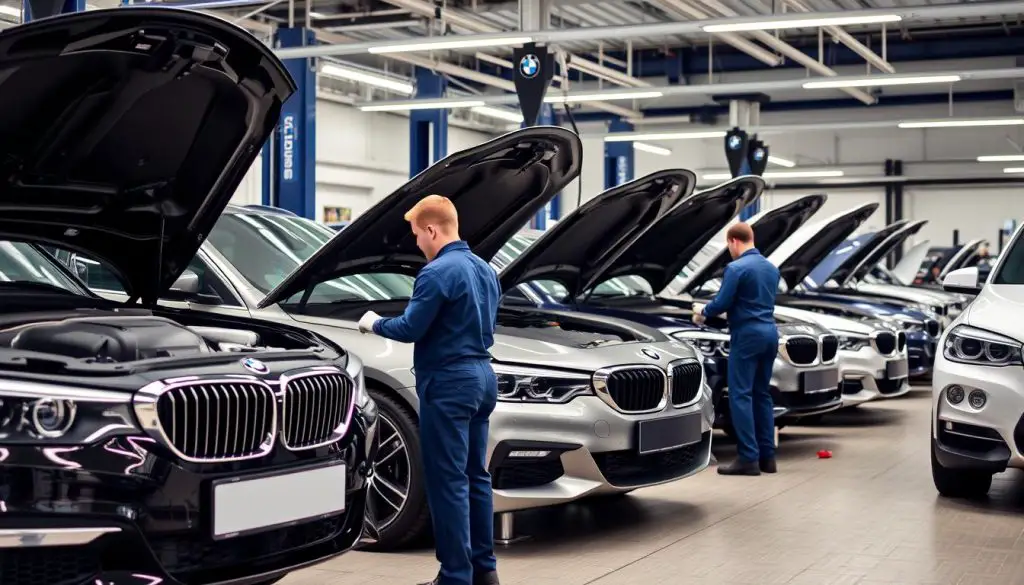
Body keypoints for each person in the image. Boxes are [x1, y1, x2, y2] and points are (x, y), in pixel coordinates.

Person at [357, 195, 501, 585]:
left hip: (449, 383)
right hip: (483, 378)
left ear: (432, 230)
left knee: (447, 481)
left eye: (417, 234)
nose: (417, 242)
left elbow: (410, 328)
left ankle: (455, 577)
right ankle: (485, 572)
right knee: (476, 477)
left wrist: (373, 323)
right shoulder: (485, 269)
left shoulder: (436, 272)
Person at [693, 222, 780, 476]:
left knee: (740, 395)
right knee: (762, 394)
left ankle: (748, 458)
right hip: (770, 333)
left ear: (733, 241)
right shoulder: (772, 268)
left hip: (747, 335)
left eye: (728, 245)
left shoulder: (736, 268)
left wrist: (702, 311)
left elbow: (722, 302)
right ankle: (768, 458)